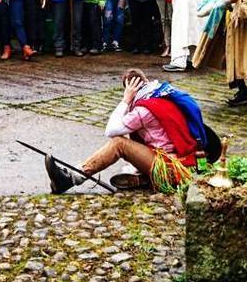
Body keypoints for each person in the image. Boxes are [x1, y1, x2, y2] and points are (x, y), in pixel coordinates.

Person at [46, 69, 202, 194]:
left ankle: (72, 178)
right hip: (181, 162)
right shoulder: (162, 93)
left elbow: (111, 131)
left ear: (129, 88)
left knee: (119, 144)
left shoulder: (143, 110)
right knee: (130, 142)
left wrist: (125, 100)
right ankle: (142, 178)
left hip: (171, 169)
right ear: (146, 81)